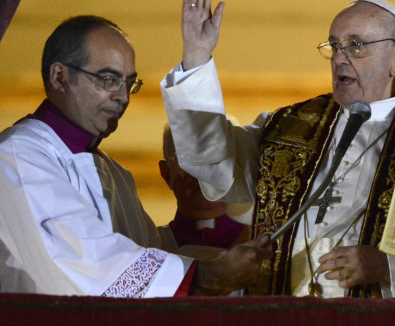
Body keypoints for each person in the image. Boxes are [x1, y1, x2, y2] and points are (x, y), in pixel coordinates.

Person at [161, 0, 395, 298]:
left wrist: (387, 267)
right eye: (334, 46)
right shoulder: (289, 125)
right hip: (282, 322)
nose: (339, 59)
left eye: (355, 46)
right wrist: (196, 57)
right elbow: (211, 162)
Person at [0, 15, 270, 297]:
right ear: (60, 77)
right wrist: (207, 275)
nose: (123, 97)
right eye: (108, 79)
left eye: (129, 83)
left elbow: (148, 253)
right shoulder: (19, 156)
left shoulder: (114, 173)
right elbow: (84, 261)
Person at [160, 123, 250, 248]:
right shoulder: (149, 247)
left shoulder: (272, 244)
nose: (202, 172)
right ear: (167, 174)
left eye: (216, 157)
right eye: (187, 159)